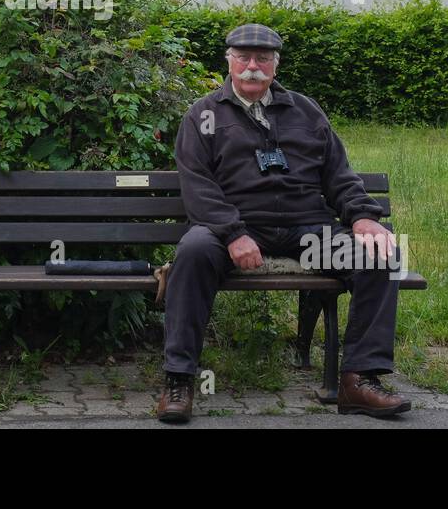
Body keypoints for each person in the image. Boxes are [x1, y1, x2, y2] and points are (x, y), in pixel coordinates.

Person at [157, 22, 410, 423]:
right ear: (229, 61)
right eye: (243, 58)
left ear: (275, 65)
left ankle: (358, 381)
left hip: (307, 230)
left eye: (262, 59)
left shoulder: (305, 111)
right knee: (192, 251)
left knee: (379, 255)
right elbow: (198, 187)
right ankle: (179, 379)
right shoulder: (203, 114)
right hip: (236, 229)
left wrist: (363, 216)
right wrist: (233, 233)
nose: (252, 67)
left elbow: (339, 175)